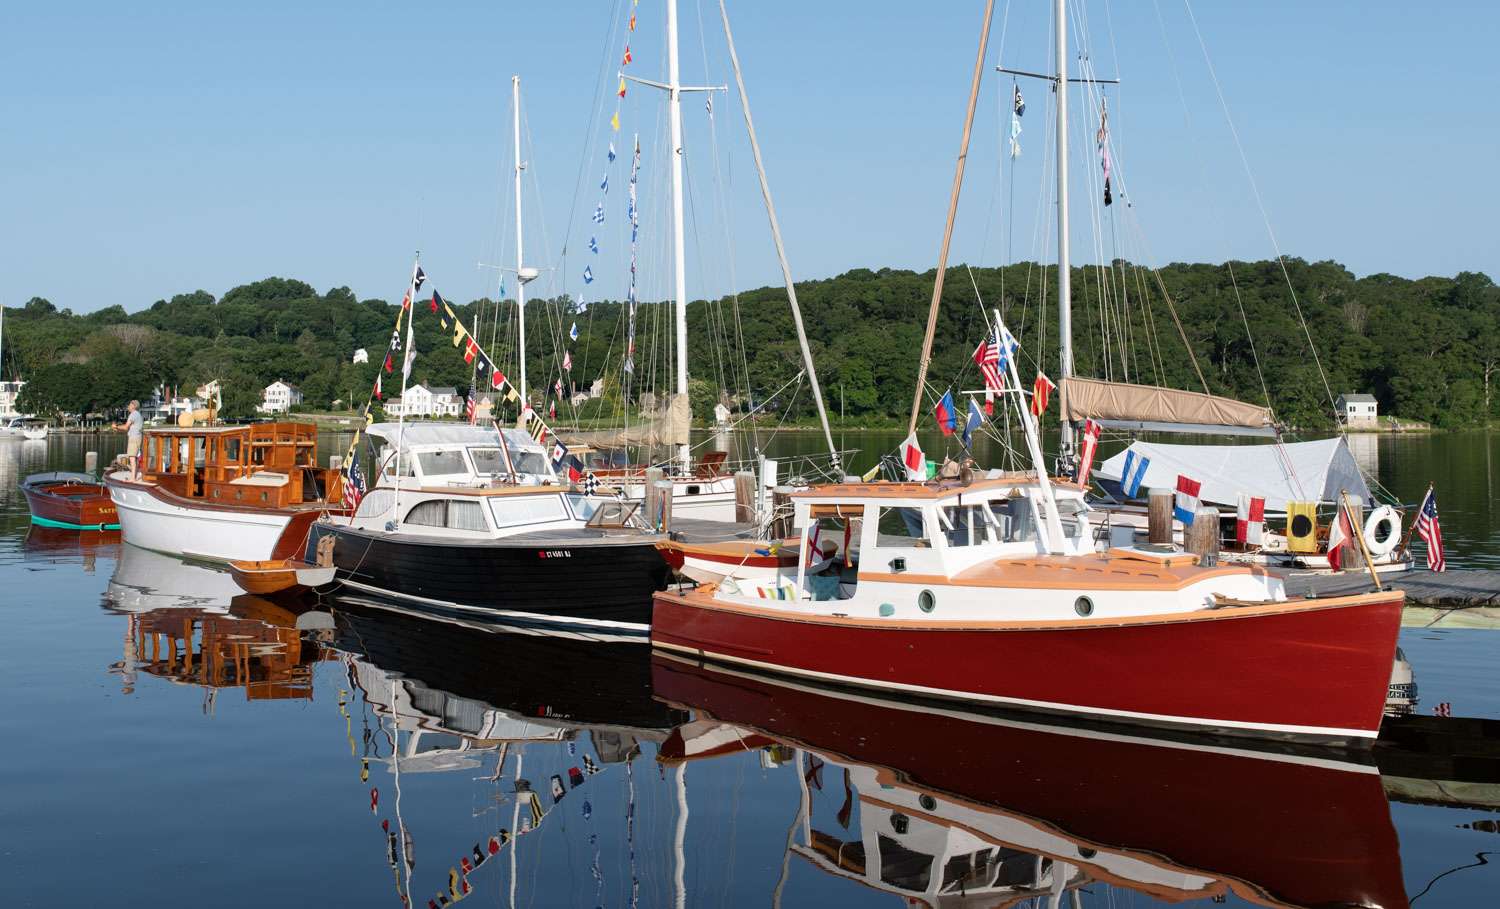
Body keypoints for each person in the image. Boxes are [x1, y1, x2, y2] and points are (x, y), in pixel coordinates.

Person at [113, 400, 143, 480]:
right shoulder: (138, 415)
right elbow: (128, 428)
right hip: (138, 437)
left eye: (129, 405)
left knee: (132, 457)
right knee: (135, 457)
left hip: (133, 438)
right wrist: (119, 428)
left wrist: (116, 427)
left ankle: (133, 478)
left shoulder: (133, 415)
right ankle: (135, 477)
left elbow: (126, 427)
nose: (128, 407)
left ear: (133, 406)